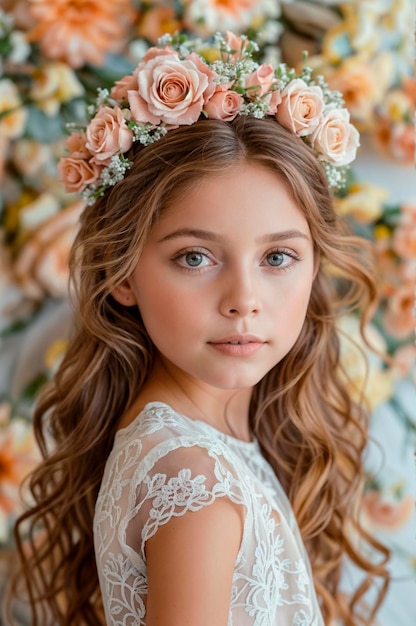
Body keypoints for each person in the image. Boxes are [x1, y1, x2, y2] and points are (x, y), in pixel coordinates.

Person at [8, 32, 389, 626]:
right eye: (194, 257)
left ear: (315, 264)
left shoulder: (194, 448)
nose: (243, 301)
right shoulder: (196, 483)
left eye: (277, 257)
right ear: (122, 274)